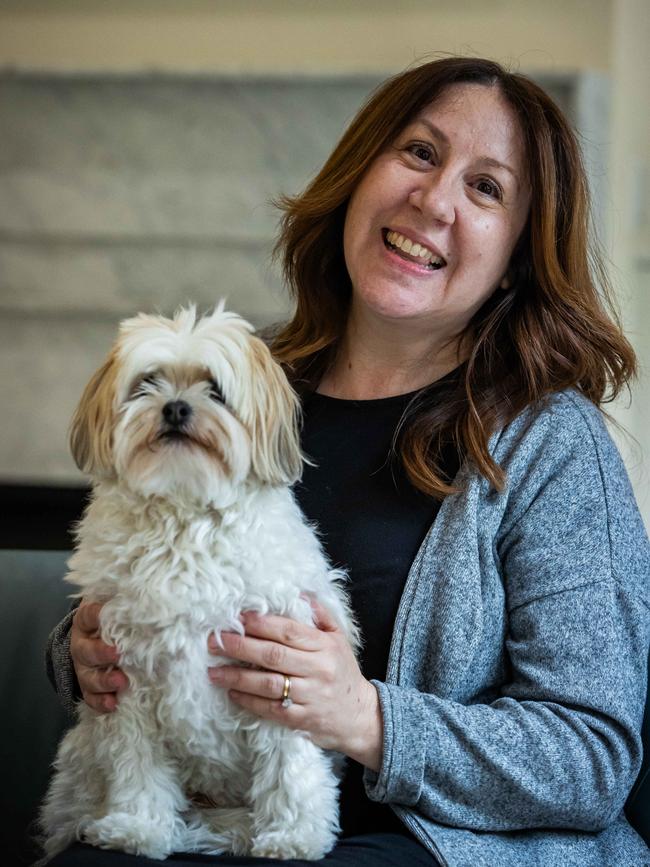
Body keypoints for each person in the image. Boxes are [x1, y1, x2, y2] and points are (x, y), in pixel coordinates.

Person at [46, 57, 650, 866]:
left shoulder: (550, 444)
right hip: (203, 819)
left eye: (486, 188)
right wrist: (81, 656)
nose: (433, 201)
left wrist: (366, 716)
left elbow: (592, 757)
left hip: (437, 843)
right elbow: (147, 579)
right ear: (360, 172)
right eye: (420, 153)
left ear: (516, 254)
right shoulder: (245, 387)